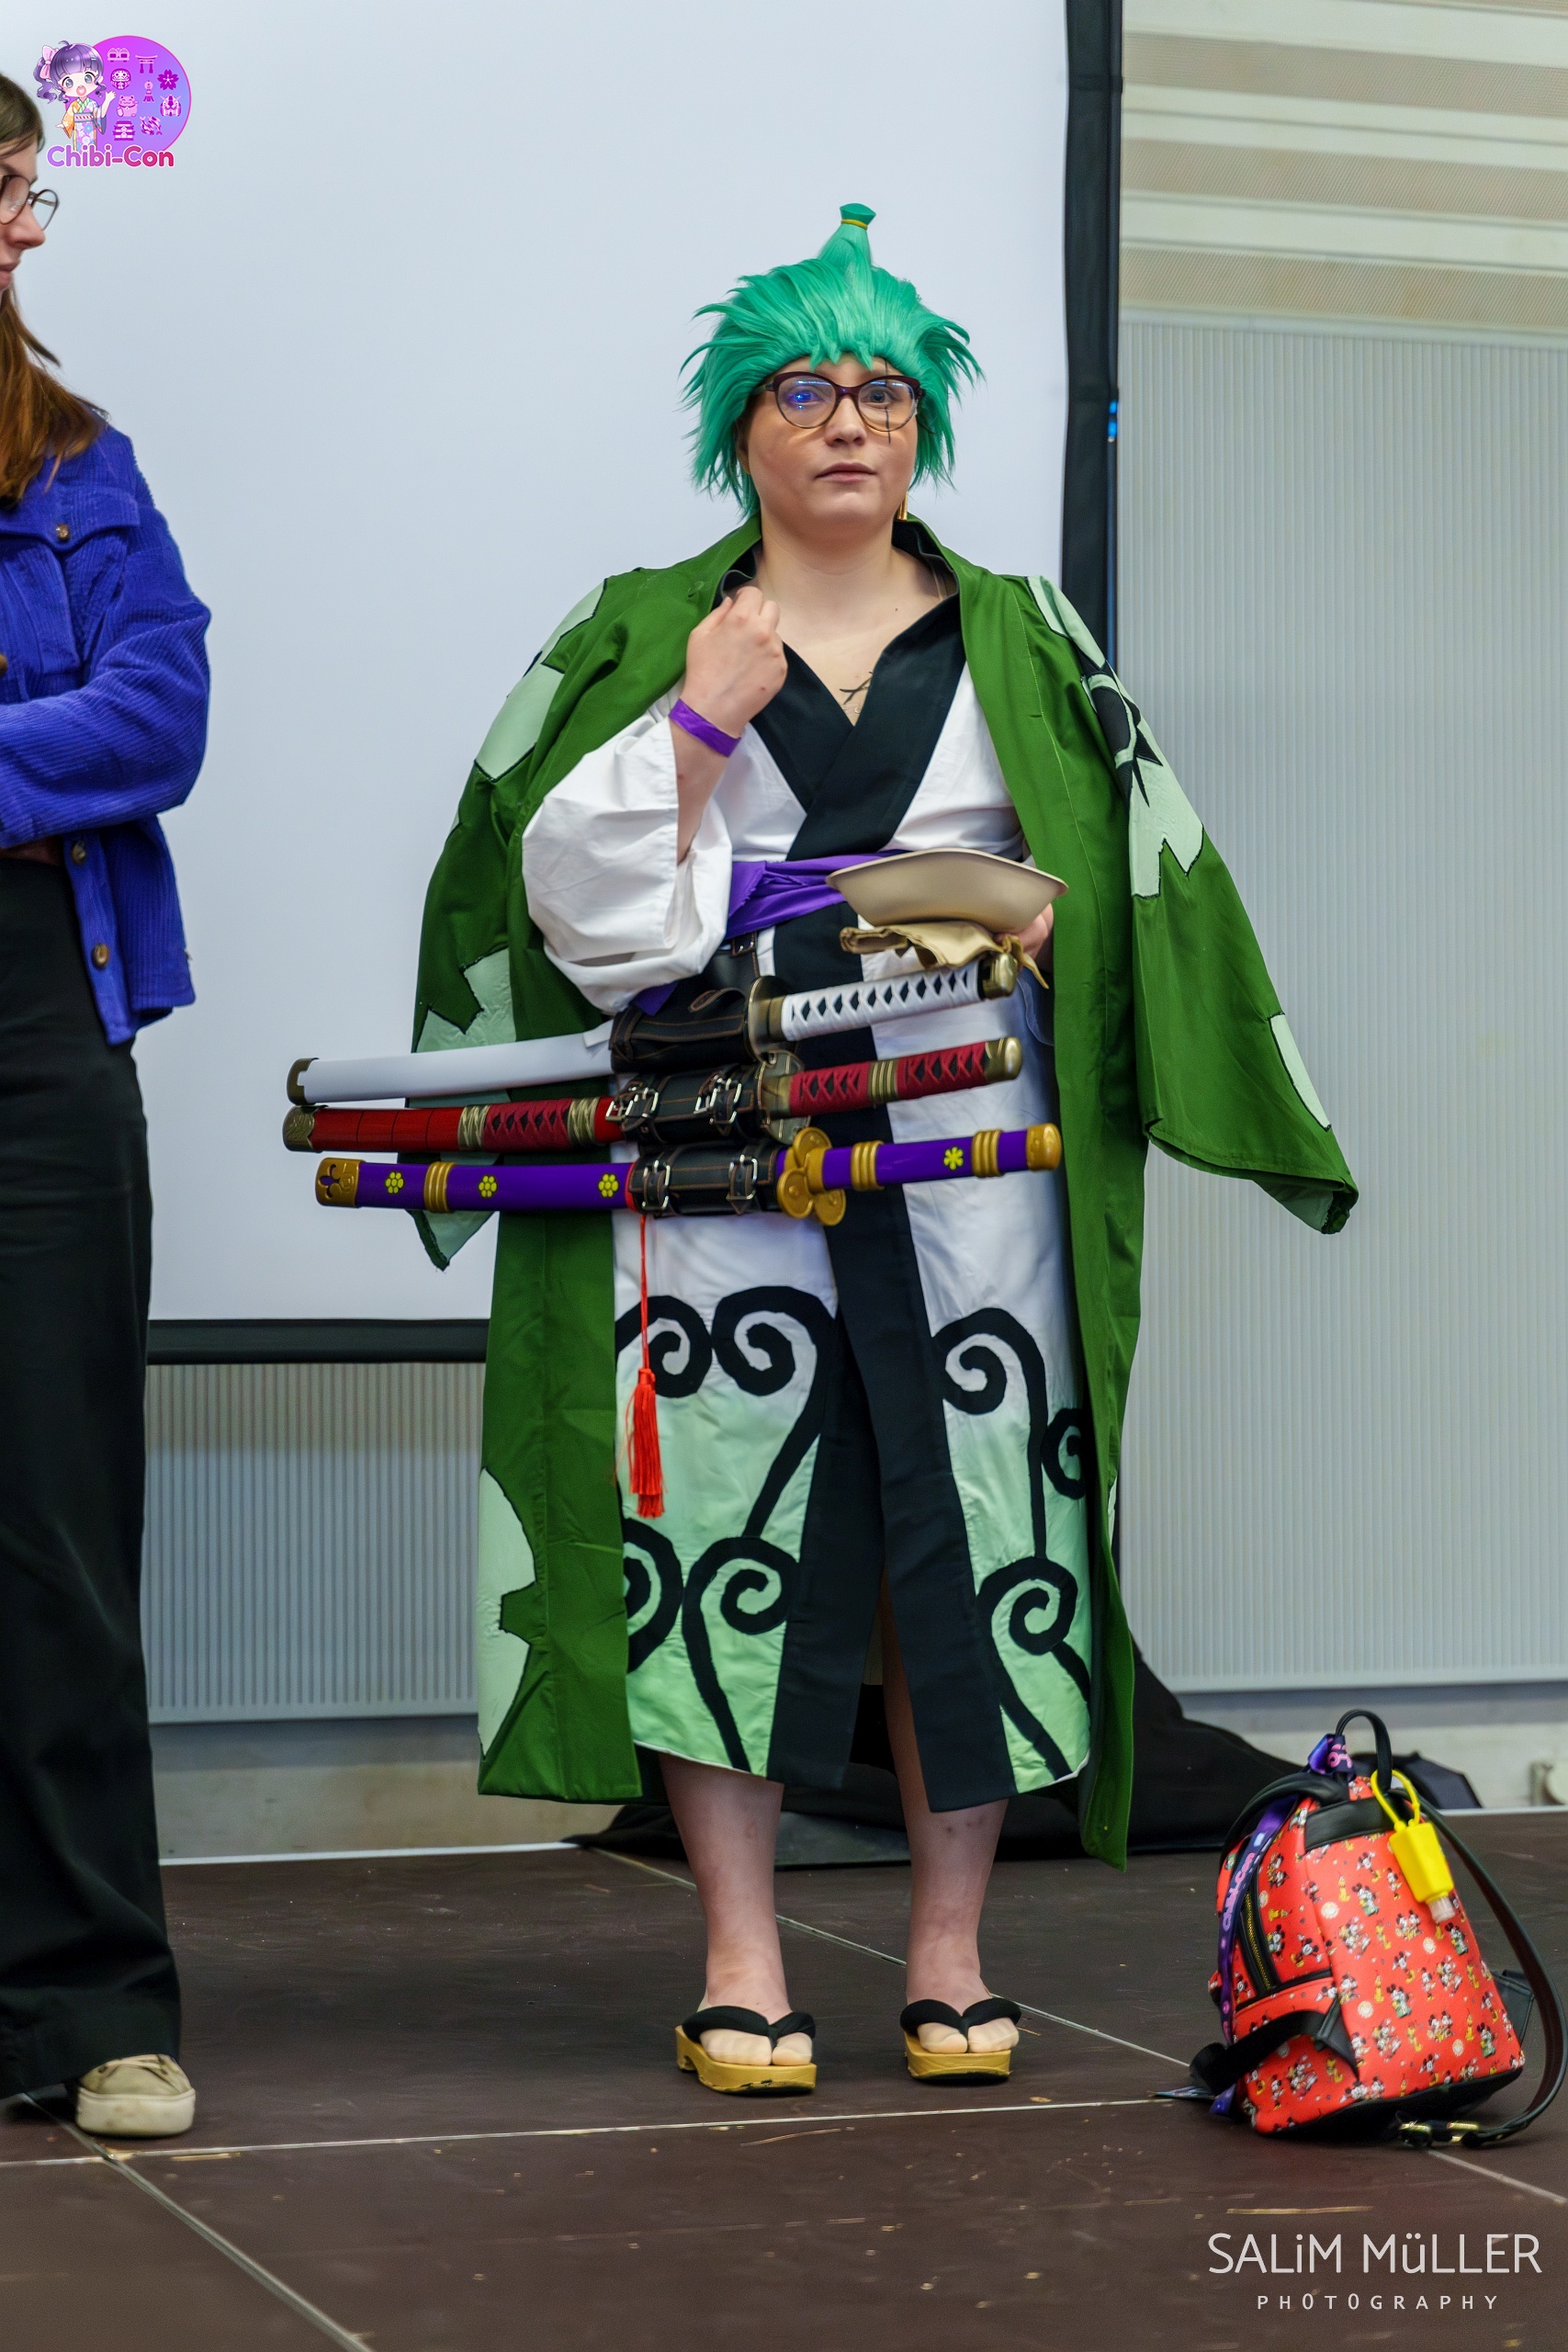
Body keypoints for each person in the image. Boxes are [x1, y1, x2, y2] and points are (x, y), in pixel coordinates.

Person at [411, 204, 1355, 2090]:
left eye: (883, 392)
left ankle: (948, 1947)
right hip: (723, 1154)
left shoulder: (1026, 634)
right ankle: (740, 1953)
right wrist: (699, 723)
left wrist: (1031, 922)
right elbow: (571, 909)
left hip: (971, 1161)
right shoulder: (642, 627)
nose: (848, 421)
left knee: (971, 1534)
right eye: (802, 390)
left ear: (922, 424)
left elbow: (1137, 887)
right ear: (738, 431)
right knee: (718, 1536)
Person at [0, 73, 209, 2138]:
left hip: (35, 1035)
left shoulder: (79, 463)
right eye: (2, 188)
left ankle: (87, 2006)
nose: (25, 224)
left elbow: (158, 716)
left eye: (26, 188)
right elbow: (82, 727)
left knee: (55, 1527)